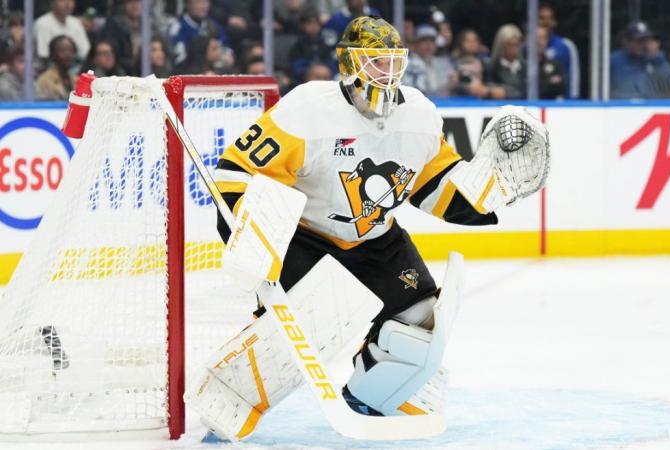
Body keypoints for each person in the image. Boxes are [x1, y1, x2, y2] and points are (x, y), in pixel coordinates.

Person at [192, 16, 547, 440]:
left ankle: (374, 395)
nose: (389, 72)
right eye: (377, 62)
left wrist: (488, 195)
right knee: (303, 324)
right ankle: (231, 396)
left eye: (394, 62)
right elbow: (237, 173)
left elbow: (434, 188)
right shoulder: (306, 111)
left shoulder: (418, 115)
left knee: (421, 318)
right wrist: (254, 239)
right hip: (306, 237)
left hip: (377, 238)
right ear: (349, 64)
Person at [610, 21, 670, 99]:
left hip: (649, 107)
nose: (644, 45)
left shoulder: (655, 60)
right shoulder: (614, 60)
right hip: (623, 107)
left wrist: (658, 60)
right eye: (639, 41)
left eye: (646, 40)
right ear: (626, 42)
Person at [538, 3, 580, 98]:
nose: (546, 22)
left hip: (560, 104)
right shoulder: (525, 48)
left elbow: (573, 77)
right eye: (541, 18)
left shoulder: (566, 46)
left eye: (549, 18)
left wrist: (572, 102)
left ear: (554, 21)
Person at [402, 24, 457, 96]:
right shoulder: (407, 65)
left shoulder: (444, 63)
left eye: (432, 41)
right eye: (424, 40)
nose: (428, 44)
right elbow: (416, 96)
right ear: (415, 44)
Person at [169, 0, 229, 66]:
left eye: (206, 1)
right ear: (188, 4)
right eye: (199, 2)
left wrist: (226, 56)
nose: (204, 6)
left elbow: (225, 47)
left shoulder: (213, 25)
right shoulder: (178, 27)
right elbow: (178, 58)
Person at [485, 24, 525, 99]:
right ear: (501, 45)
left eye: (516, 45)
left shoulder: (526, 67)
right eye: (509, 45)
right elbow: (491, 90)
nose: (513, 49)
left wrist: (506, 92)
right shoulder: (491, 67)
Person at [35, 35, 78, 100]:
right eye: (62, 50)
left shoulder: (77, 80)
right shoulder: (44, 80)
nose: (68, 54)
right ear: (53, 55)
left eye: (71, 50)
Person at [536, 25, 567, 99]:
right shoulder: (521, 64)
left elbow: (562, 88)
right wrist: (548, 82)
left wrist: (542, 84)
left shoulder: (555, 65)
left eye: (543, 38)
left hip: (549, 106)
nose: (540, 42)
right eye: (537, 38)